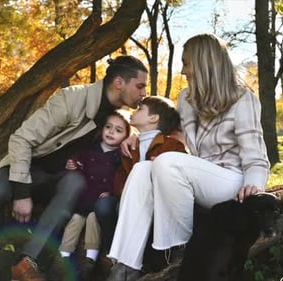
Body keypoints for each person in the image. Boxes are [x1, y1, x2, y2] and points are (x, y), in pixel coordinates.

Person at [0, 55, 148, 281]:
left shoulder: (121, 117)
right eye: (140, 86)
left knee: (75, 182)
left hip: (64, 178)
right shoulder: (71, 99)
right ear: (119, 83)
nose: (143, 92)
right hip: (29, 168)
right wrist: (22, 193)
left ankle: (29, 263)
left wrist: (133, 137)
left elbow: (142, 125)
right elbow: (21, 139)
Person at [106, 33, 270, 281]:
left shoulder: (242, 98)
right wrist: (136, 136)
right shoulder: (186, 98)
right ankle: (125, 266)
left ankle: (178, 254)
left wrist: (255, 185)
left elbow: (256, 154)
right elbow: (171, 129)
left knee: (166, 162)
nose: (182, 71)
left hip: (231, 181)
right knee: (141, 170)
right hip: (200, 177)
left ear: (204, 63)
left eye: (186, 63)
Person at [106, 95, 187, 280]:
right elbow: (121, 178)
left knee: (144, 169)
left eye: (140, 109)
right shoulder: (129, 146)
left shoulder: (172, 145)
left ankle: (124, 267)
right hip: (132, 202)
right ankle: (122, 266)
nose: (134, 111)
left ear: (153, 118)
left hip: (161, 202)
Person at [58, 110, 130, 281]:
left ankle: (90, 259)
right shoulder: (90, 150)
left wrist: (112, 193)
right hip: (84, 197)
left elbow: (123, 180)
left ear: (127, 136)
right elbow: (78, 161)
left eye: (118, 130)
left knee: (93, 220)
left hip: (100, 199)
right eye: (109, 127)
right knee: (75, 220)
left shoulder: (121, 157)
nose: (111, 132)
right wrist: (72, 164)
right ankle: (63, 256)